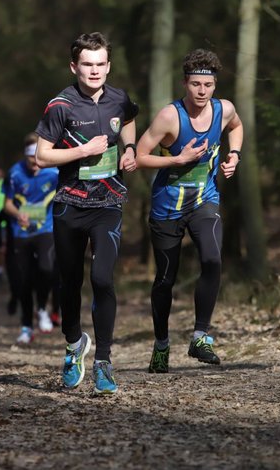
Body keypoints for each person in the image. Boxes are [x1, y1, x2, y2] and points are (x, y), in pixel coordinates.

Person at [35, 32, 138, 394]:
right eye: (87, 65)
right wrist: (83, 152)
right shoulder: (60, 106)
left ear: (108, 66)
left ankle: (104, 362)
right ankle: (74, 344)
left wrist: (130, 149)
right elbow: (41, 156)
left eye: (100, 65)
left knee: (103, 279)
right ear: (74, 66)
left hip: (108, 202)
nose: (94, 71)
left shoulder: (119, 98)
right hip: (69, 203)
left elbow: (127, 121)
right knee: (69, 282)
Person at [135, 49, 243, 373]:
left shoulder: (224, 110)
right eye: (195, 84)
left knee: (212, 258)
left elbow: (236, 127)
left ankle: (200, 337)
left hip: (204, 200)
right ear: (185, 83)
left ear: (214, 86)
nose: (201, 91)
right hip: (167, 207)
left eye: (207, 85)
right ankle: (161, 344)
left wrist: (234, 155)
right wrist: (176, 160)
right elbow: (139, 156)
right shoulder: (170, 116)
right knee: (165, 280)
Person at [4, 134, 60, 345]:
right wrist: (18, 214)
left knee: (47, 269)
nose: (35, 164)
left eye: (38, 159)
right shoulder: (15, 173)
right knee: (24, 280)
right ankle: (26, 326)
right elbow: (7, 203)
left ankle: (43, 308)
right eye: (30, 160)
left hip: (46, 229)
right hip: (22, 231)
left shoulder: (54, 173)